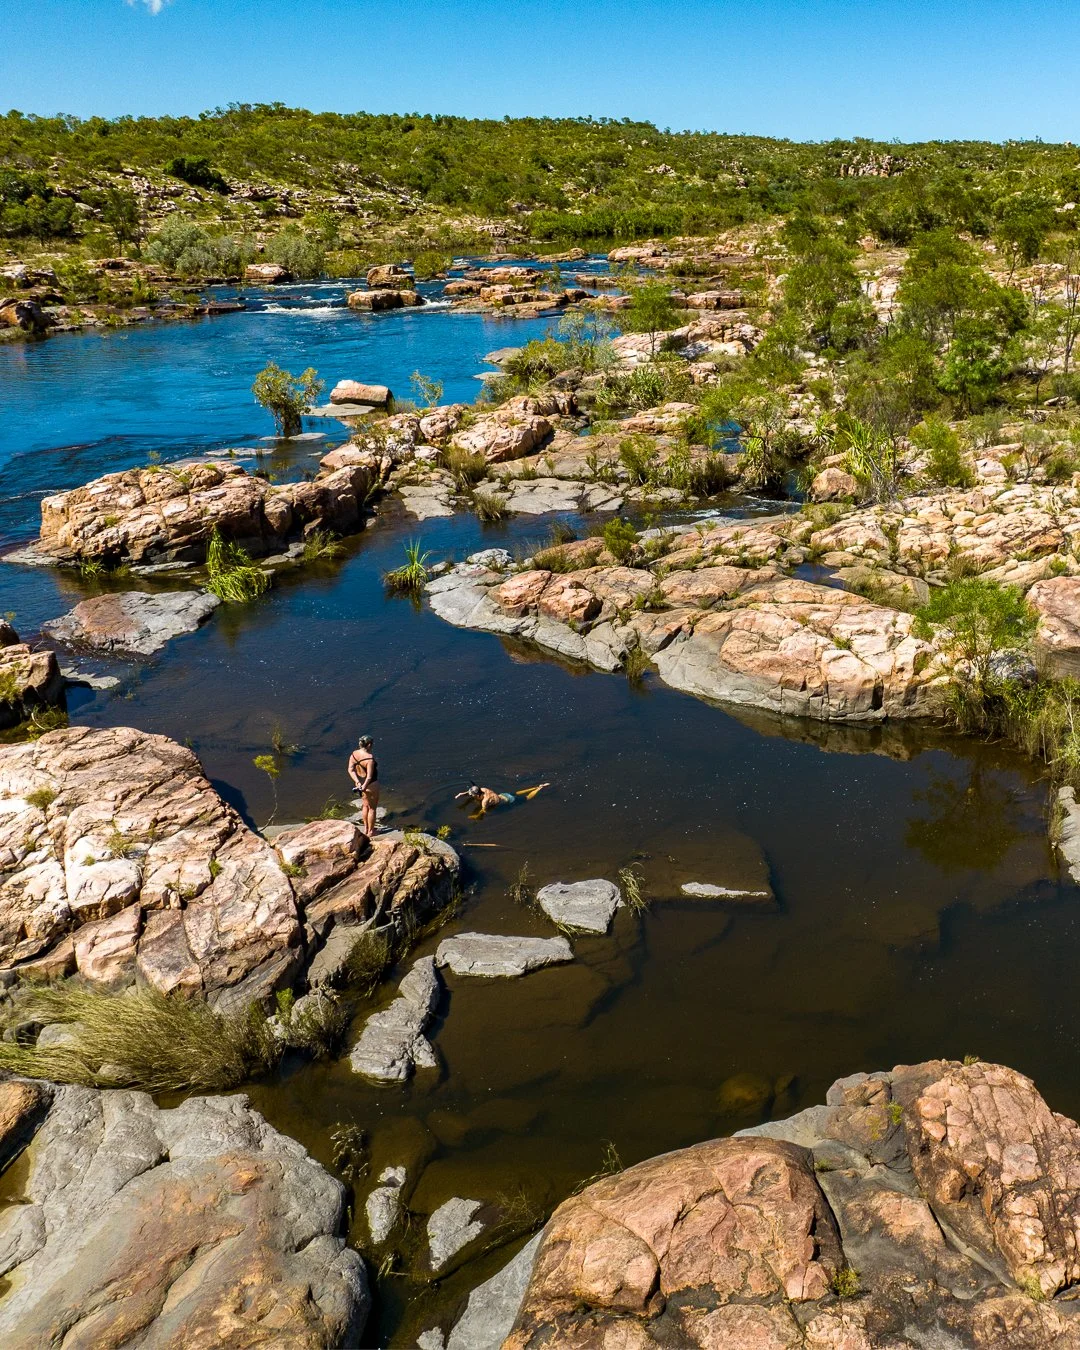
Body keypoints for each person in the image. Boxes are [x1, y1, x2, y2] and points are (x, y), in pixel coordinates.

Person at [348, 735, 380, 837]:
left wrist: (358, 782)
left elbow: (350, 769)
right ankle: (371, 831)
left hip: (360, 783)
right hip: (371, 785)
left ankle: (366, 828)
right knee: (372, 808)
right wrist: (365, 786)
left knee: (365, 806)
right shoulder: (369, 758)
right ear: (369, 745)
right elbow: (369, 776)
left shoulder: (354, 754)